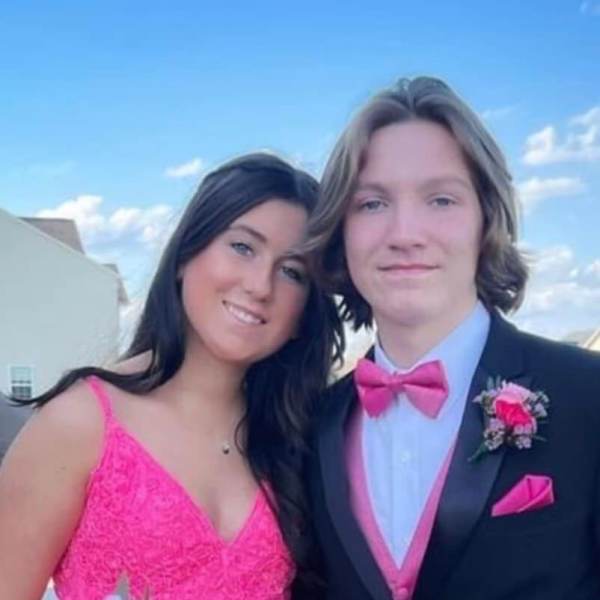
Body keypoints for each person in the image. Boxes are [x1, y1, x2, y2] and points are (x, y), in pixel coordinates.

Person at [305, 76, 600, 600]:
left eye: (441, 200)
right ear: (340, 229)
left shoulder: (588, 393)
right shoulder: (313, 428)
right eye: (371, 204)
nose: (404, 233)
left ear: (487, 218)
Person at [0, 153, 343, 600]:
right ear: (185, 254)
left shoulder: (302, 441)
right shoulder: (80, 421)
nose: (261, 286)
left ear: (305, 313)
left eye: (292, 272)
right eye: (243, 247)